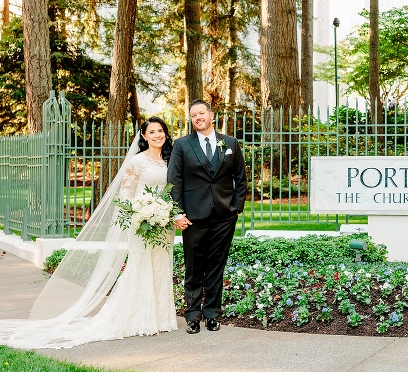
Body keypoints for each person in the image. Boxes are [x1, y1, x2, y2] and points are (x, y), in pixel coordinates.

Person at [0, 117, 179, 349]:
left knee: (161, 265)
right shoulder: (136, 161)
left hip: (164, 222)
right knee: (141, 266)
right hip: (142, 222)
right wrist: (143, 211)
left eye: (161, 131)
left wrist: (165, 211)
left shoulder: (169, 159)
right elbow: (125, 195)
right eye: (152, 132)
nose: (157, 135)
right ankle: (138, 318)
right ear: (143, 136)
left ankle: (161, 318)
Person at [168, 99, 247, 334]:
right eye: (193, 115)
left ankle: (212, 314)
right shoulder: (182, 145)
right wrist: (177, 212)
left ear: (211, 115)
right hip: (193, 216)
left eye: (201, 113)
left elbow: (240, 179)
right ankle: (192, 316)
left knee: (216, 267)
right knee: (194, 267)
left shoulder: (230, 143)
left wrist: (236, 208)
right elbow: (174, 181)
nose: (198, 118)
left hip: (224, 216)